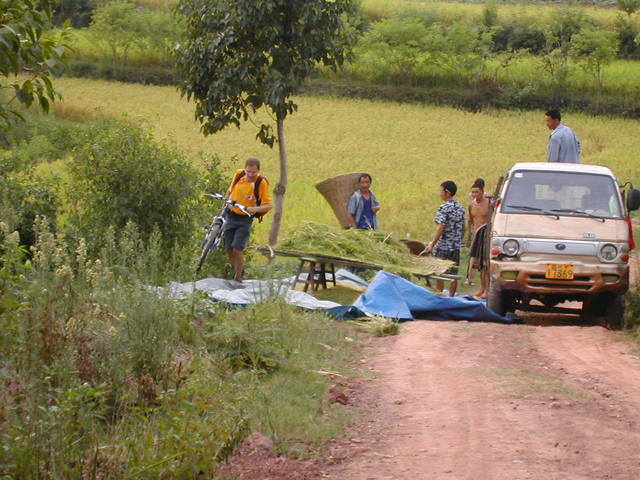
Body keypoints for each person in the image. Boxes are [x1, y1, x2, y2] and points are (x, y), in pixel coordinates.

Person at [224, 157, 273, 282]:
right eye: (248, 171)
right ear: (245, 169)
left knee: (237, 248)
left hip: (245, 218)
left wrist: (253, 210)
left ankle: (238, 277)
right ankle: (237, 268)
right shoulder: (238, 175)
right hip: (231, 215)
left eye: (254, 172)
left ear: (258, 171)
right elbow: (230, 191)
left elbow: (268, 205)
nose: (251, 175)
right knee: (228, 248)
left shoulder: (260, 183)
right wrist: (224, 204)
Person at [423, 180, 465, 296]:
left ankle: (440, 294)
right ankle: (452, 296)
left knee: (439, 272)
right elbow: (464, 227)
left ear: (447, 192)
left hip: (443, 246)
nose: (440, 193)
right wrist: (458, 239)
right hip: (455, 247)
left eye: (441, 191)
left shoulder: (444, 208)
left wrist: (432, 244)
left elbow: (441, 227)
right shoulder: (460, 208)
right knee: (454, 274)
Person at [467, 179, 490, 298]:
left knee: (486, 264)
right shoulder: (471, 204)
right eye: (473, 192)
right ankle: (482, 289)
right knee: (479, 264)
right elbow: (471, 220)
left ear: (482, 192)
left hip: (487, 236)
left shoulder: (489, 203)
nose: (475, 194)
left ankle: (487, 289)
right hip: (476, 236)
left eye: (477, 192)